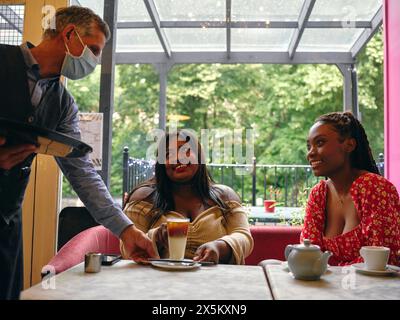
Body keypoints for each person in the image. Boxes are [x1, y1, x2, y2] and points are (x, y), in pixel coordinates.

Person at [0, 6, 156, 300]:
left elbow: (83, 174)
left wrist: (126, 230)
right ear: (69, 34)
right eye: (94, 50)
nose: (95, 61)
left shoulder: (62, 104)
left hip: (6, 221)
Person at [121, 130, 254, 264]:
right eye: (169, 154)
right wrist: (155, 237)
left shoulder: (225, 196)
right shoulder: (143, 197)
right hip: (161, 280)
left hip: (216, 280)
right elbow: (126, 250)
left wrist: (220, 247)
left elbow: (244, 237)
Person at [302, 111, 400, 266]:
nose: (311, 153)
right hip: (324, 288)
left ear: (349, 145)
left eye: (320, 143)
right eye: (309, 146)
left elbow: (381, 261)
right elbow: (307, 255)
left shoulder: (374, 187)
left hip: (371, 289)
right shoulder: (319, 194)